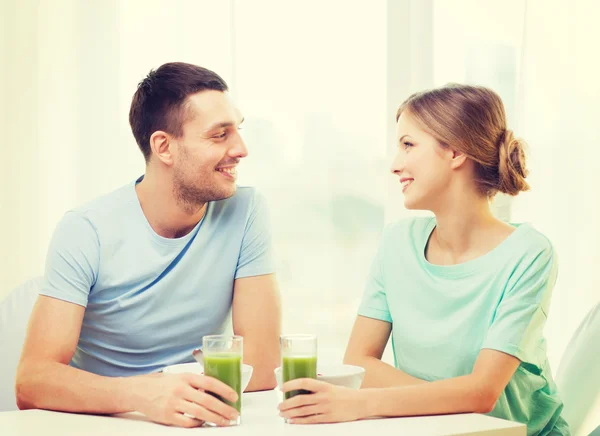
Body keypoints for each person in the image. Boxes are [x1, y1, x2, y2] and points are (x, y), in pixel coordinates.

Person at [278, 84, 570, 435]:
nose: (395, 165)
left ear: (456, 152)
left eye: (408, 145)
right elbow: (359, 361)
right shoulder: (397, 242)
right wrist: (445, 400)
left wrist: (360, 403)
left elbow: (482, 393)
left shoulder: (529, 253)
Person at [16, 62, 281, 428]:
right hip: (102, 424)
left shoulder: (245, 211)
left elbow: (263, 366)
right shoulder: (85, 229)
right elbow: (32, 381)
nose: (241, 149)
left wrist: (181, 397)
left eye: (237, 130)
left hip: (198, 418)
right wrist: (144, 395)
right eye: (220, 135)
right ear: (164, 147)